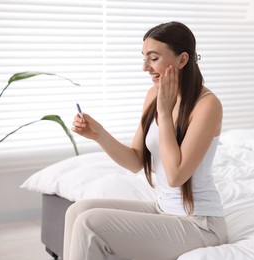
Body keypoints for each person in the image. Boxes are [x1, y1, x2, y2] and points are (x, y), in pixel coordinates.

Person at [65, 21, 227, 260]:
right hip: (164, 210)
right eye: (144, 58)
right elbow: (135, 162)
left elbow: (176, 176)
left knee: (90, 223)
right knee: (77, 211)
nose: (145, 67)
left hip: (201, 224)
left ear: (182, 60)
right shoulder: (153, 94)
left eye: (153, 58)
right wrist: (98, 133)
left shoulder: (207, 105)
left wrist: (164, 113)